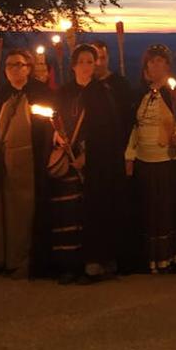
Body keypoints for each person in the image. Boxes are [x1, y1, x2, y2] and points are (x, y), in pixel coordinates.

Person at [49, 44, 126, 282]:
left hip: (95, 165)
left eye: (90, 62)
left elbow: (109, 131)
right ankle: (68, 264)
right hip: (68, 160)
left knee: (93, 211)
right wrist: (58, 137)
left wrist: (88, 155)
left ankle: (93, 262)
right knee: (69, 213)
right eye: (81, 61)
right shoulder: (63, 93)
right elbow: (52, 121)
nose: (85, 66)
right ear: (73, 65)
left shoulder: (103, 93)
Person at [0, 49, 54, 278]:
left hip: (32, 161)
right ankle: (6, 258)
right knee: (5, 212)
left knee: (27, 212)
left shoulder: (41, 93)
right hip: (5, 161)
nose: (15, 69)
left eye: (20, 65)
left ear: (28, 68)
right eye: (10, 65)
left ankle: (26, 259)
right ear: (4, 70)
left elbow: (48, 128)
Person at [126, 45, 176, 273]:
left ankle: (169, 258)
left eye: (160, 61)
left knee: (166, 210)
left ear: (167, 65)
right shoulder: (141, 95)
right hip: (145, 161)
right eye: (151, 62)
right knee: (149, 210)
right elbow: (135, 128)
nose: (155, 66)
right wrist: (130, 157)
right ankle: (151, 259)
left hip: (167, 162)